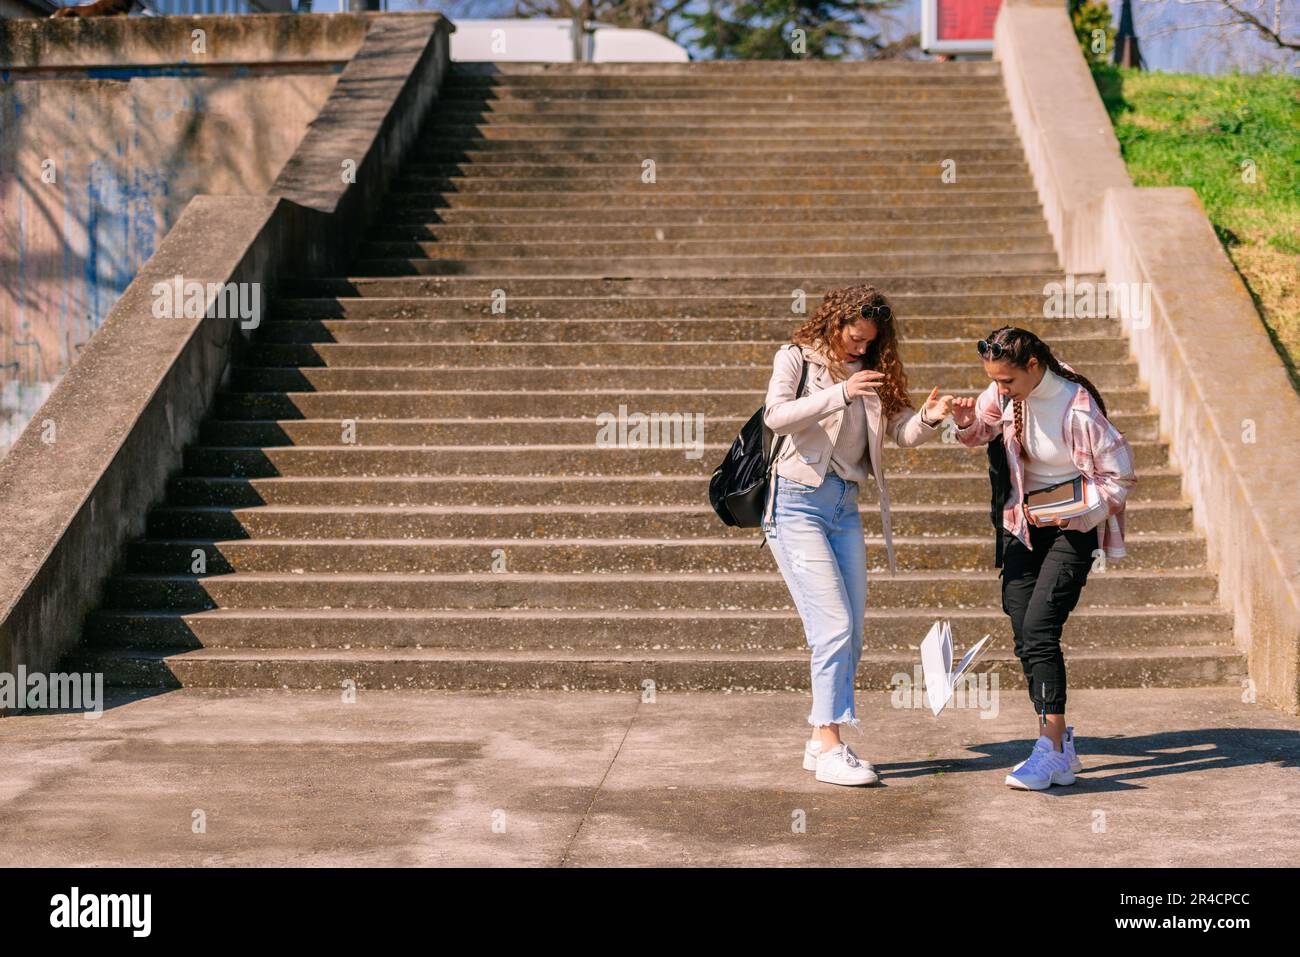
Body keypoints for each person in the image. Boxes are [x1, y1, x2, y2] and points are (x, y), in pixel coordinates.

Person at [761, 284, 954, 787]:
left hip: (845, 507)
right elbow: (775, 416)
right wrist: (840, 391)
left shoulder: (875, 371)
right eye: (853, 337)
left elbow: (899, 431)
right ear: (833, 322)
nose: (860, 347)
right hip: (796, 501)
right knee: (832, 626)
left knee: (853, 630)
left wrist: (928, 420)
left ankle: (817, 740)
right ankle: (830, 744)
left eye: (869, 341)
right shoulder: (796, 358)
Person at [950, 326, 1138, 790]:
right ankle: (1059, 744)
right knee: (1020, 622)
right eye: (994, 380)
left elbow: (1121, 479)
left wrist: (1077, 512)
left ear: (1033, 367)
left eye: (1007, 381)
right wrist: (958, 419)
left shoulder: (1078, 407)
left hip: (1073, 529)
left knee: (1039, 629)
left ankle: (1050, 748)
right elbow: (979, 432)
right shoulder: (1007, 391)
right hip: (1022, 521)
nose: (999, 389)